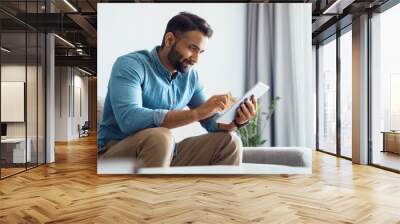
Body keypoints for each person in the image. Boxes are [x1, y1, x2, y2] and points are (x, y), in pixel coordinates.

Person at [98, 12, 257, 168]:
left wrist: (236, 120)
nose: (195, 59)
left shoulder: (190, 77)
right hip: (115, 152)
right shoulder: (131, 65)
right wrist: (197, 113)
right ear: (169, 40)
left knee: (230, 141)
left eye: (200, 52)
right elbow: (129, 120)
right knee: (161, 137)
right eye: (192, 48)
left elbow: (211, 123)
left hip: (164, 151)